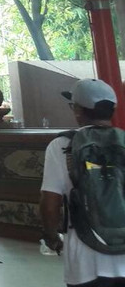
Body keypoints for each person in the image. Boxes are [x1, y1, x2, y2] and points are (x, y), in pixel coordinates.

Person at [41, 78, 125, 287]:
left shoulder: (61, 145)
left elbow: (50, 202)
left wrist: (51, 236)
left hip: (85, 254)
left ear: (78, 110)